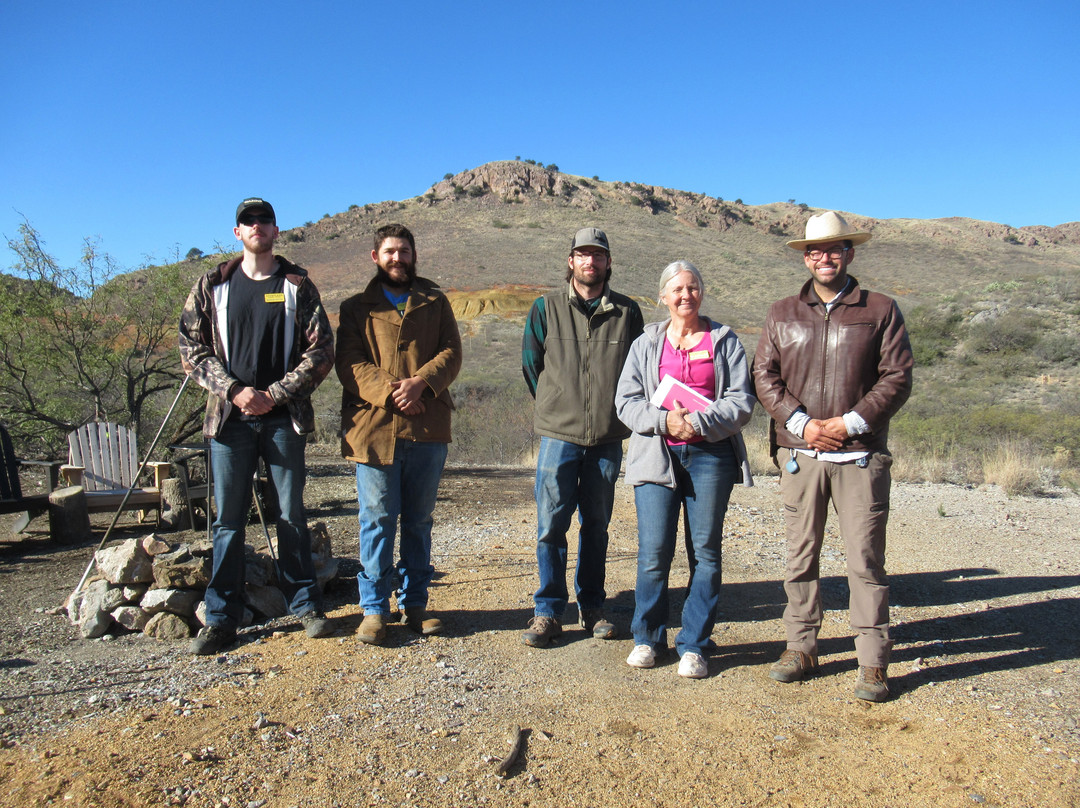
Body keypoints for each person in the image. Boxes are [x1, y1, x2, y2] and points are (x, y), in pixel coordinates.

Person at [752, 211, 913, 702]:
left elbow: (897, 377)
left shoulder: (881, 309)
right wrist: (802, 424)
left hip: (860, 454)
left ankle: (872, 661)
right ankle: (800, 646)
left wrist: (849, 423)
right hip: (801, 454)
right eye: (815, 250)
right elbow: (765, 375)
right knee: (801, 555)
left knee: (865, 561)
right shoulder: (782, 313)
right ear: (805, 256)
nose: (825, 257)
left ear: (850, 253)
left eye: (835, 248)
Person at [179, 197, 335, 656]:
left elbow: (321, 349)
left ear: (275, 229)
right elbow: (190, 348)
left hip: (283, 419)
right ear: (237, 232)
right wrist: (234, 390)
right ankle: (222, 618)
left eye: (264, 220)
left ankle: (305, 605)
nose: (257, 227)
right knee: (228, 521)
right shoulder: (212, 285)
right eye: (249, 221)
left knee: (291, 514)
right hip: (229, 420)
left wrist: (276, 393)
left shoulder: (297, 285)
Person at [615, 260, 755, 678]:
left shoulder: (724, 341)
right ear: (663, 297)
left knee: (706, 552)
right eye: (676, 290)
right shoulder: (645, 344)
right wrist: (666, 422)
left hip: (711, 456)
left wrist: (700, 422)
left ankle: (694, 644)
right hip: (658, 456)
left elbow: (741, 400)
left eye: (692, 288)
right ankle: (647, 638)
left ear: (701, 293)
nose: (685, 296)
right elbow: (626, 402)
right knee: (654, 552)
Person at [336, 223, 462, 645]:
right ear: (375, 257)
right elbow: (350, 362)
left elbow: (451, 353)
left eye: (404, 250)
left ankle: (416, 604)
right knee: (376, 520)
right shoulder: (356, 307)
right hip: (372, 430)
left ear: (414, 255)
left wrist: (421, 383)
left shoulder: (435, 300)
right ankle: (373, 609)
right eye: (389, 251)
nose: (397, 257)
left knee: (419, 521)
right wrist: (394, 393)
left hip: (427, 425)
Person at [520, 227, 645, 647]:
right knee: (550, 526)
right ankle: (548, 611)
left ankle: (592, 607)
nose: (590, 261)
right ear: (570, 260)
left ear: (609, 262)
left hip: (607, 436)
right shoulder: (545, 308)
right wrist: (557, 403)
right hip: (559, 435)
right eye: (582, 254)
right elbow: (531, 366)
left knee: (597, 525)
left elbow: (638, 371)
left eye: (598, 255)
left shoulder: (628, 312)